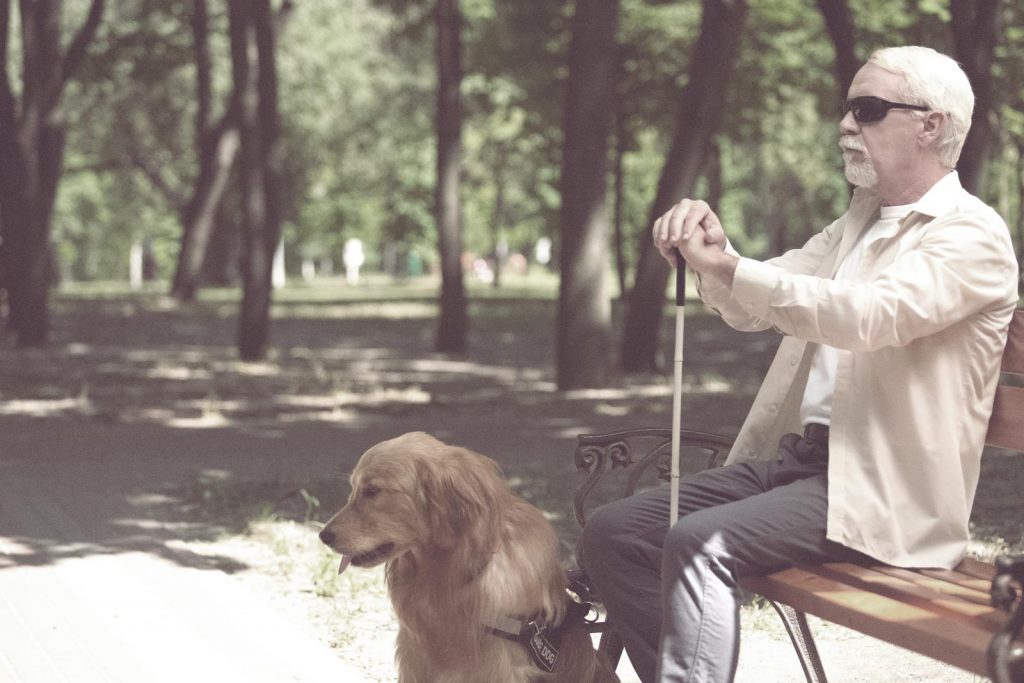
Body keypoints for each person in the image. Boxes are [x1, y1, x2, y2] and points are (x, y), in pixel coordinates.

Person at [581, 46, 1019, 683]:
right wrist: (713, 252)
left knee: (701, 542)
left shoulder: (970, 234)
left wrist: (731, 268)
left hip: (882, 491)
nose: (845, 124)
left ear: (931, 124)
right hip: (801, 467)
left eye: (867, 110)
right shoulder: (858, 222)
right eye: (846, 109)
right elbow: (759, 301)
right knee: (617, 532)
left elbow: (870, 316)